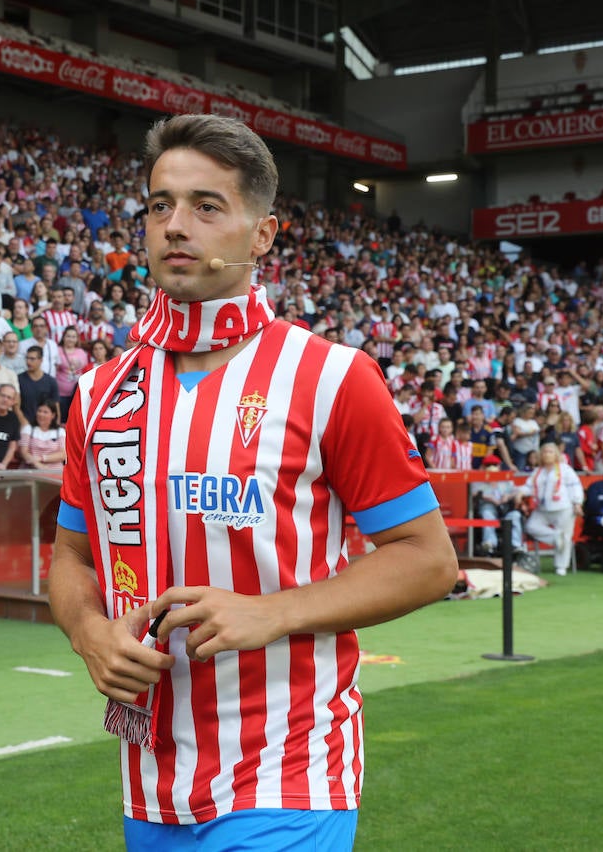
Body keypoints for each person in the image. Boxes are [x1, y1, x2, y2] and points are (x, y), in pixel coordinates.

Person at [48, 114, 456, 849]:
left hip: (289, 770)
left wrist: (274, 612)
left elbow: (428, 559)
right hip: (151, 785)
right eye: (159, 204)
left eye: (208, 207)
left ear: (262, 234)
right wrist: (90, 634)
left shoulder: (333, 377)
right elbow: (72, 556)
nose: (177, 225)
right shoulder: (100, 393)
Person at [522, 442, 585, 575]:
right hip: (542, 508)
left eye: (550, 452)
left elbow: (575, 486)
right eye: (544, 452)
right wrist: (519, 493)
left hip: (563, 507)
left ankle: (561, 566)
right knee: (531, 526)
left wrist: (577, 503)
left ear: (556, 454)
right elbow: (528, 487)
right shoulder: (538, 471)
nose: (547, 455)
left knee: (566, 535)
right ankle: (556, 538)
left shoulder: (565, 469)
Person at [19, 401, 66, 469]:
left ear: (53, 415)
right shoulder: (28, 429)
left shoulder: (60, 431)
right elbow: (23, 452)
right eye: (39, 411)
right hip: (31, 470)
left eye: (45, 412)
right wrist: (37, 465)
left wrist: (41, 458)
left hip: (54, 471)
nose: (41, 414)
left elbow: (63, 455)